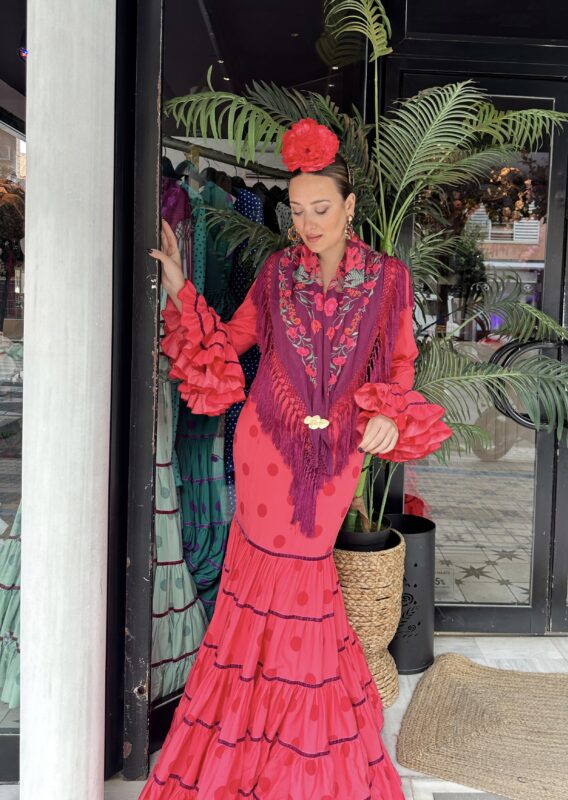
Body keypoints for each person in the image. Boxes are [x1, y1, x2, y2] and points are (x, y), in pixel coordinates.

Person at [139, 117, 451, 800]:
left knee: (307, 583)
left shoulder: (390, 280)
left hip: (335, 460)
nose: (307, 223)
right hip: (263, 448)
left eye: (320, 209)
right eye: (296, 211)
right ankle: (248, 736)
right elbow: (231, 339)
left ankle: (300, 745)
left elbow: (400, 364)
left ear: (348, 208)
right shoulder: (277, 272)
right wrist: (178, 287)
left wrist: (385, 419)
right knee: (253, 588)